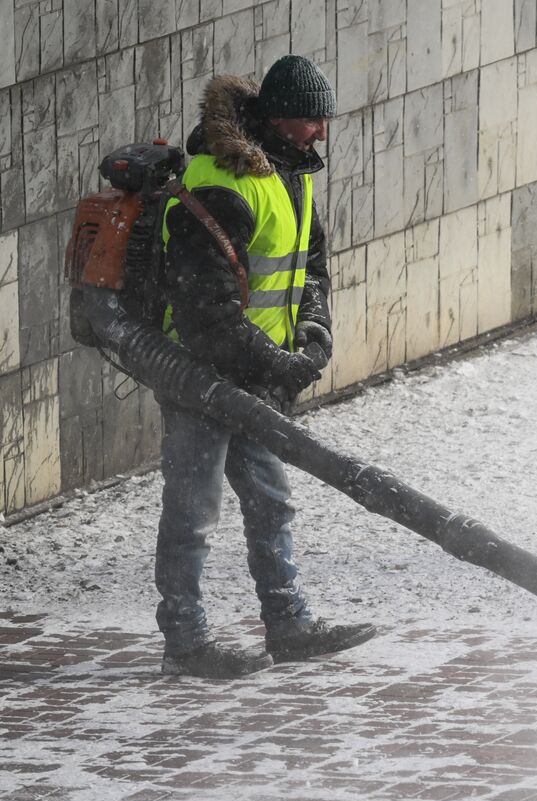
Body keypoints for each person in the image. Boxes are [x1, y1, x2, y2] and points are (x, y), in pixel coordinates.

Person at [156, 55, 375, 678]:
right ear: (278, 118)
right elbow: (204, 311)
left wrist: (313, 333)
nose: (322, 133)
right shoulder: (222, 184)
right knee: (193, 513)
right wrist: (279, 364)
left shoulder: (291, 173)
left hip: (255, 375)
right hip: (200, 377)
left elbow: (311, 267)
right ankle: (185, 644)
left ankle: (289, 624)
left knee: (270, 502)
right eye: (312, 121)